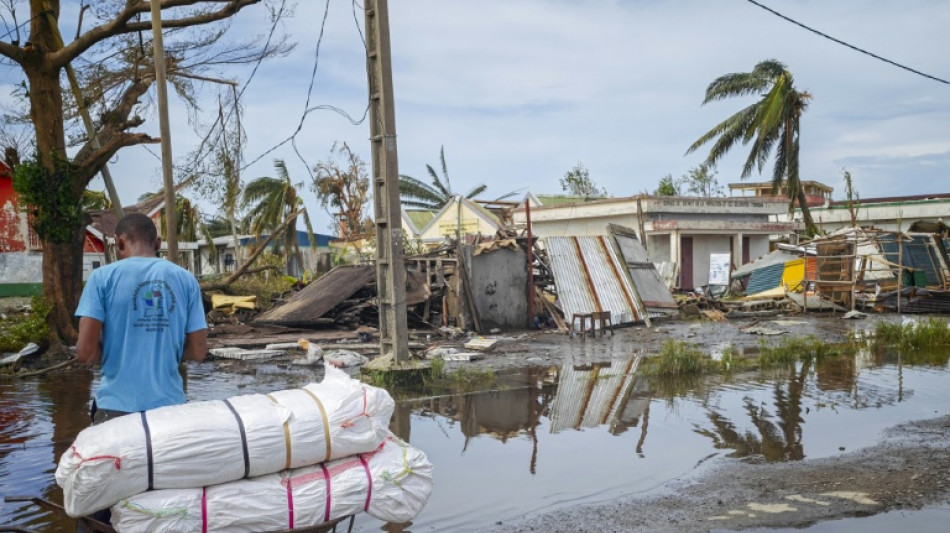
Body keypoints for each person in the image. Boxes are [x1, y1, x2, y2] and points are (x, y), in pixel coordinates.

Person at [75, 213, 208, 425]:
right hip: (170, 409)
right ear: (158, 243)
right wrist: (166, 355)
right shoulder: (186, 280)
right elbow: (199, 350)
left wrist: (113, 353)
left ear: (119, 242)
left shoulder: (101, 278)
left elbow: (85, 352)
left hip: (115, 409)